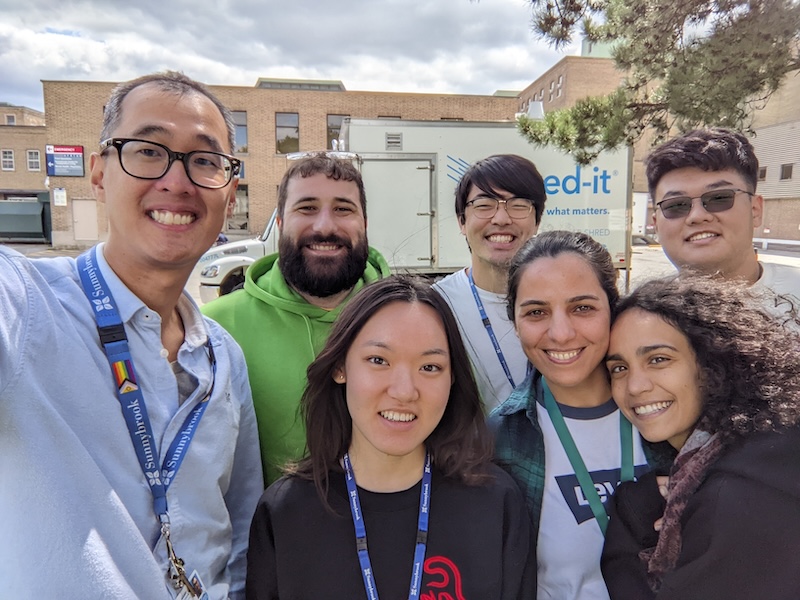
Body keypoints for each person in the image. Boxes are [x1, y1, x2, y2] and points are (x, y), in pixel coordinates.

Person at [0, 72, 263, 599]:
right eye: (148, 150)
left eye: (205, 161)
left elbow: (239, 526)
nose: (177, 181)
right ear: (98, 172)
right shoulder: (27, 308)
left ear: (230, 194)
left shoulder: (222, 358)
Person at [246, 276, 535, 599]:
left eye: (430, 367)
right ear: (340, 367)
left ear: (453, 379)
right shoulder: (286, 512)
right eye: (378, 361)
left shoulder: (495, 504)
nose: (404, 391)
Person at [602, 275, 800, 599]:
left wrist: (632, 516)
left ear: (712, 362)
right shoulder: (762, 447)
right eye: (619, 368)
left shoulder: (735, 498)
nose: (635, 386)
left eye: (658, 359)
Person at [203, 153, 390, 484]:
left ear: (365, 223)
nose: (325, 226)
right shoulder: (213, 328)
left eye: (343, 209)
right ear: (280, 224)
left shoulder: (411, 322)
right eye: (306, 208)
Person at [490, 230, 656, 600]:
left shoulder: (666, 415)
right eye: (536, 312)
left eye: (582, 307)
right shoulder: (499, 439)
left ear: (612, 309)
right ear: (514, 321)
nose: (561, 333)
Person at [434, 154, 547, 409]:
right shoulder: (437, 306)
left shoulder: (563, 304)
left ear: (537, 220)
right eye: (484, 205)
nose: (501, 219)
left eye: (518, 205)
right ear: (462, 221)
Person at [647, 127, 800, 306]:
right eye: (676, 205)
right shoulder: (639, 320)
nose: (697, 216)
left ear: (755, 210)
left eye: (719, 198)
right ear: (656, 224)